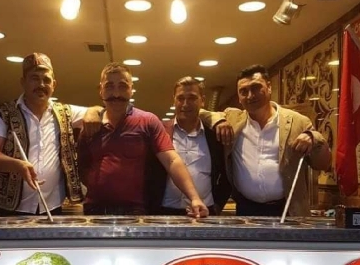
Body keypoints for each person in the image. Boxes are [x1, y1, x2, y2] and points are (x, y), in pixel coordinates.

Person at [77, 63, 209, 217]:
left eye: (122, 86)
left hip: (135, 211)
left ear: (131, 90)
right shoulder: (90, 125)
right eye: (109, 86)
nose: (116, 93)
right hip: (94, 210)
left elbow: (172, 160)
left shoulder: (148, 121)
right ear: (101, 90)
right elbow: (82, 167)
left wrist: (194, 198)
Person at [201, 64, 331, 216]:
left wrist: (314, 138)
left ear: (269, 87)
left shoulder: (298, 122)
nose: (250, 95)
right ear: (239, 97)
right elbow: (199, 112)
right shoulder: (233, 119)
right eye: (243, 91)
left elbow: (324, 164)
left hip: (288, 210)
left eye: (256, 88)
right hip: (246, 209)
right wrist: (218, 121)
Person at [0, 53, 102, 216]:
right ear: (23, 82)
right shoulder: (3, 113)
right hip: (9, 209)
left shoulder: (65, 112)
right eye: (34, 78)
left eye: (46, 80)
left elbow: (99, 110)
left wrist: (93, 112)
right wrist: (17, 165)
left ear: (54, 84)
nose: (41, 84)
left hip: (52, 207)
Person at [150, 77, 231, 216]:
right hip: (164, 213)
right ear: (174, 100)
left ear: (202, 100)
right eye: (180, 98)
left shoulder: (215, 136)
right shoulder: (160, 132)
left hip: (204, 212)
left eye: (192, 98)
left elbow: (227, 174)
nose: (185, 104)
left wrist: (217, 206)